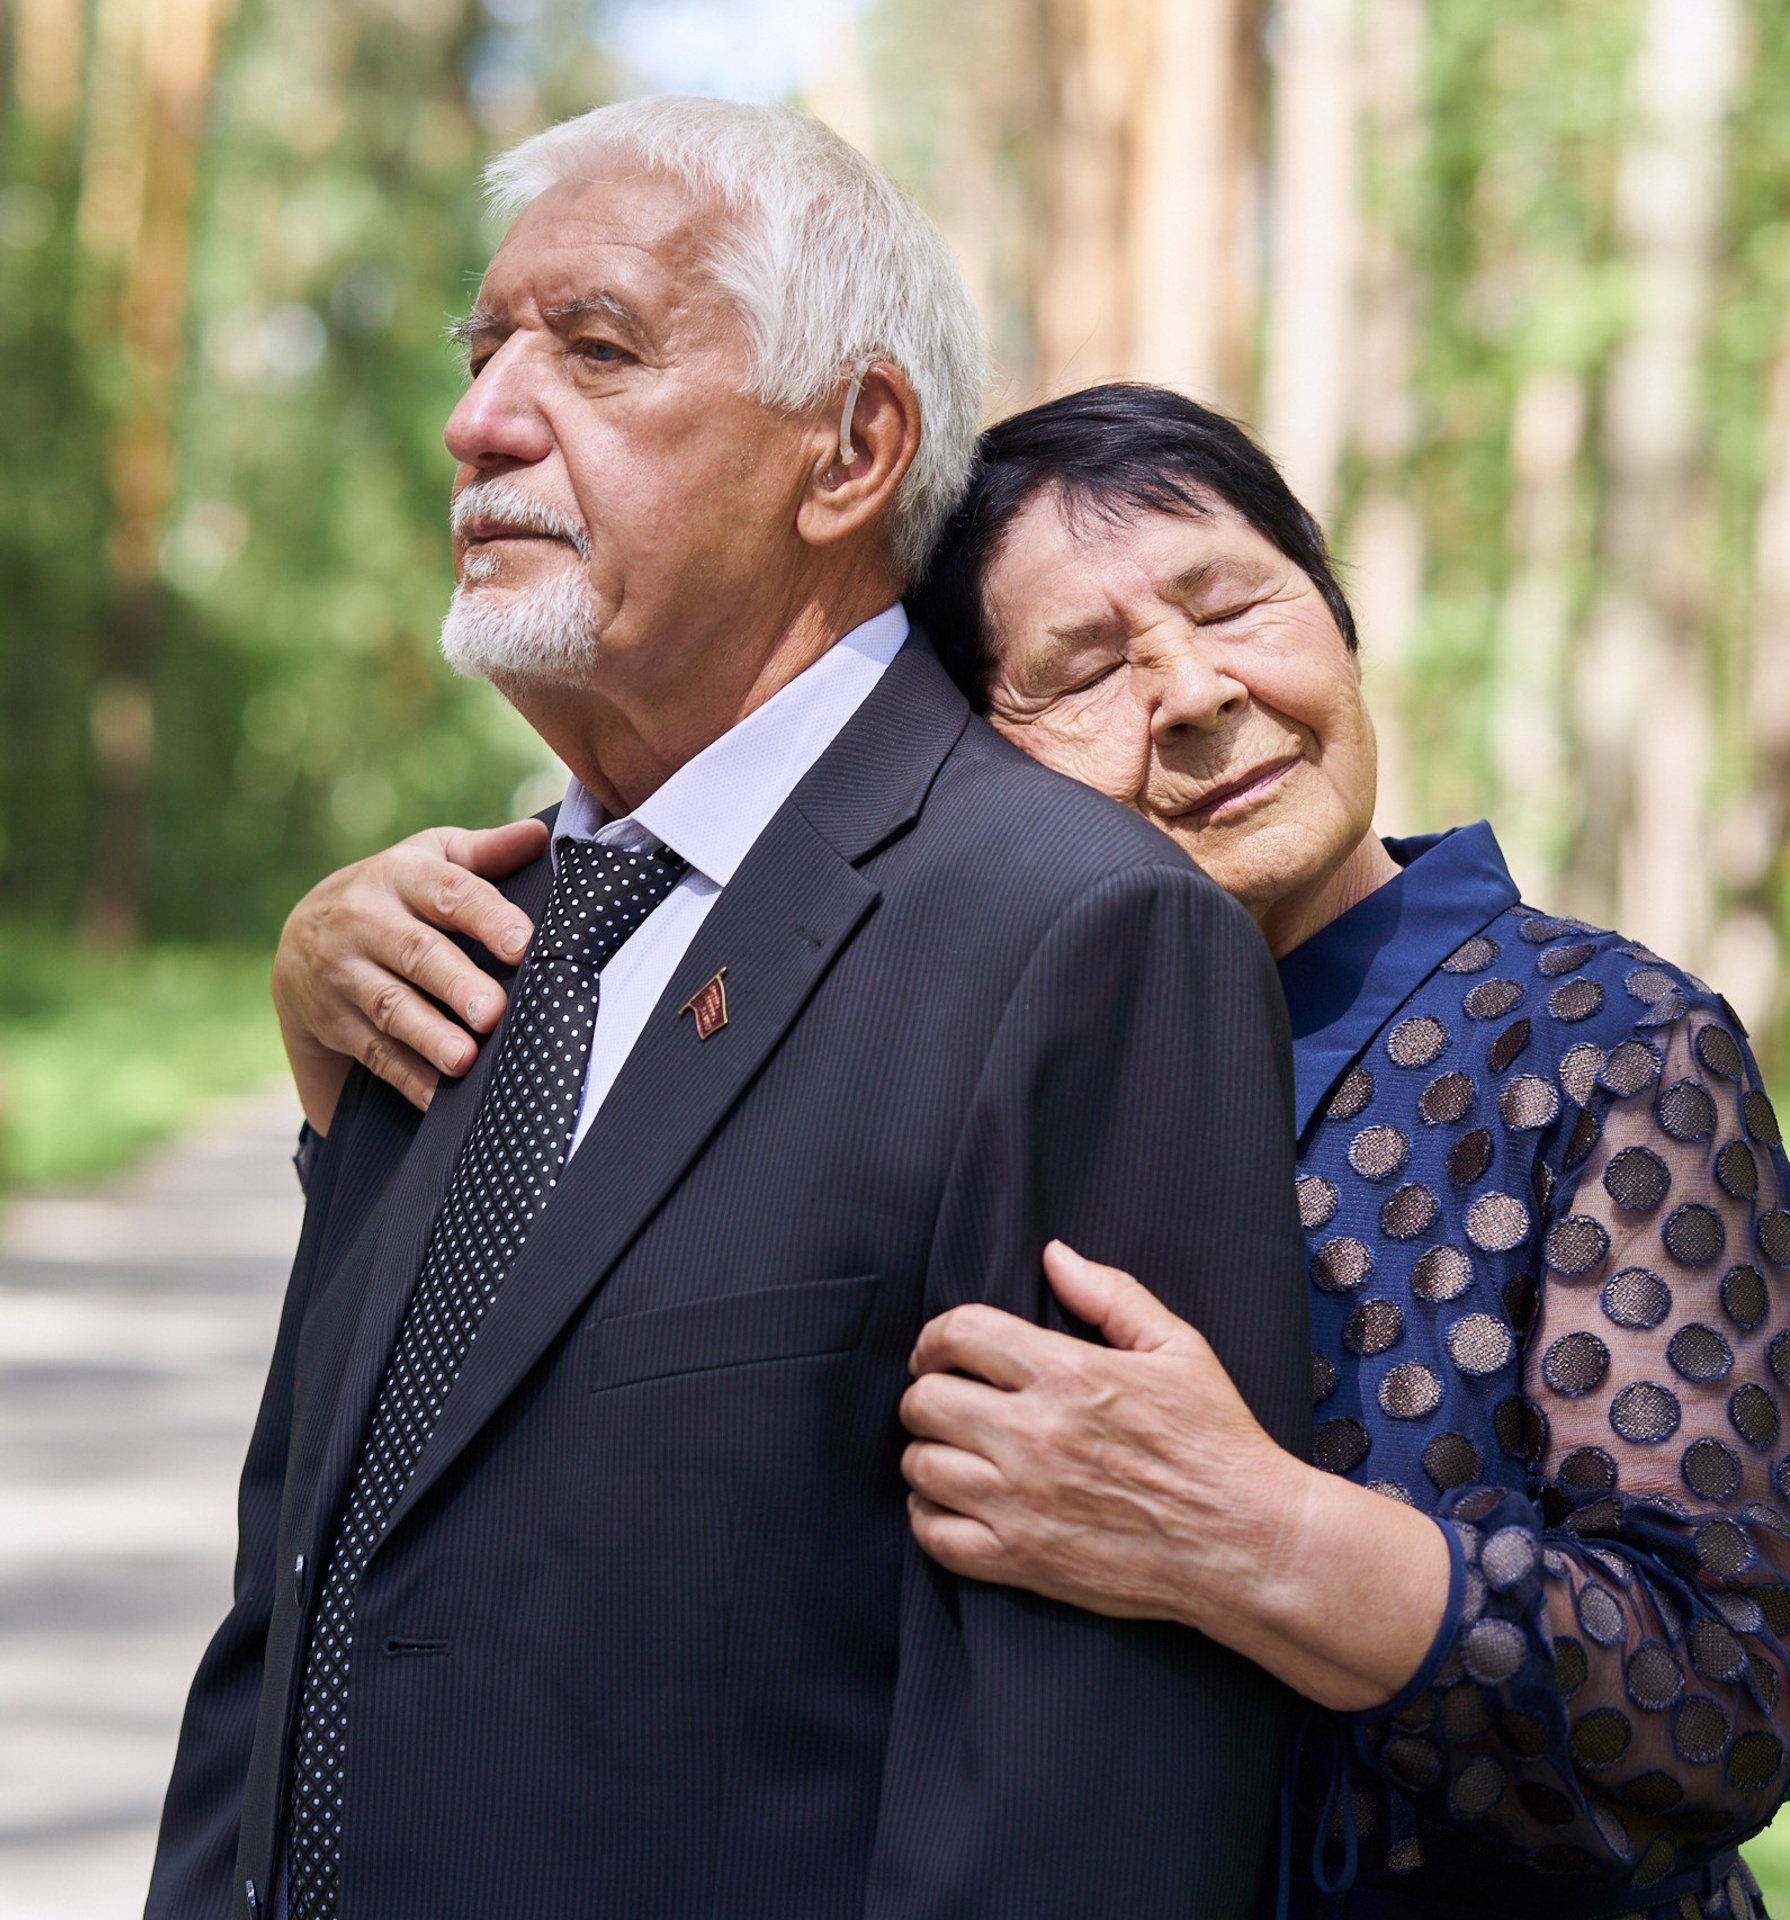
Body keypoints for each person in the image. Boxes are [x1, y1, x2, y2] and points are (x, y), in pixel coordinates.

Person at [282, 383, 1790, 1920]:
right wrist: (338, 1065)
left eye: (1233, 605)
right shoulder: (920, 1051)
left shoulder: (1600, 1047)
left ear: (1337, 611)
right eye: (1084, 669)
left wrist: (1254, 1535)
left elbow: (1728, 1691)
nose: (1197, 692)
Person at [148, 110, 1315, 1920]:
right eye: (482, 352)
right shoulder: (442, 937)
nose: (482, 421)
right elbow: (299, 1590)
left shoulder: (1077, 937)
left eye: (596, 349)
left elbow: (1080, 1797)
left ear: (851, 450)